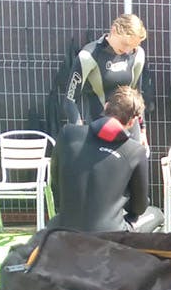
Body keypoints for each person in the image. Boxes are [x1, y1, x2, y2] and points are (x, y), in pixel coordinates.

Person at [47, 86, 164, 233]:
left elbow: (55, 183)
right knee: (157, 214)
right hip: (111, 234)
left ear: (106, 106)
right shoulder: (135, 151)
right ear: (133, 121)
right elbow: (139, 208)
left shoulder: (67, 134)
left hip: (64, 227)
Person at [64, 13, 149, 150]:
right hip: (100, 128)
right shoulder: (88, 55)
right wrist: (78, 132)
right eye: (125, 44)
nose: (127, 50)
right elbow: (70, 99)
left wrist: (143, 129)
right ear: (114, 30)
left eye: (132, 47)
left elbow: (136, 96)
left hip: (130, 130)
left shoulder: (138, 54)